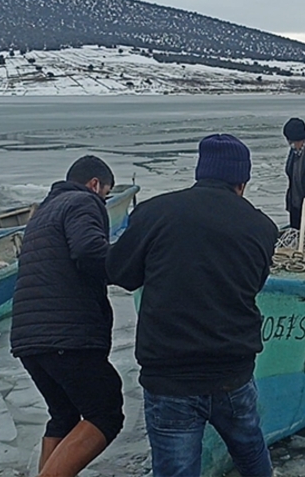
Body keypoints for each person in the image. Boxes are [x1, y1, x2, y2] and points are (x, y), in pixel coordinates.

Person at [106, 134, 278, 477]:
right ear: (242, 181)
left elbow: (119, 273)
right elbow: (253, 285)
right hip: (233, 372)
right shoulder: (262, 227)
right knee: (250, 451)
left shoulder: (155, 212)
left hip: (171, 376)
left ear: (200, 173)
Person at [10, 155, 124, 477]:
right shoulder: (83, 202)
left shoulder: (43, 212)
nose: (104, 200)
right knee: (106, 412)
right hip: (68, 336)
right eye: (106, 193)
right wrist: (129, 266)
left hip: (28, 337)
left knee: (63, 414)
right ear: (94, 184)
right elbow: (89, 251)